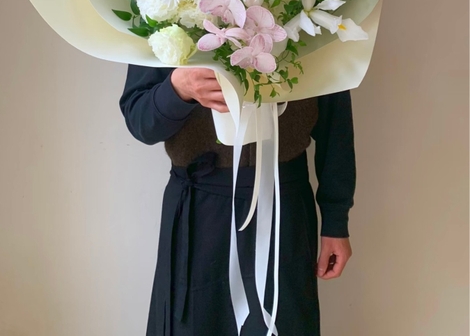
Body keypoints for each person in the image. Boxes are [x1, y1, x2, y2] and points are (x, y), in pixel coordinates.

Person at [119, 65, 355, 336]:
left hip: (284, 207)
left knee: (283, 325)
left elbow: (335, 121)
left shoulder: (315, 34)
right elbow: (140, 120)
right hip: (197, 213)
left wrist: (336, 219)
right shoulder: (157, 35)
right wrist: (177, 90)